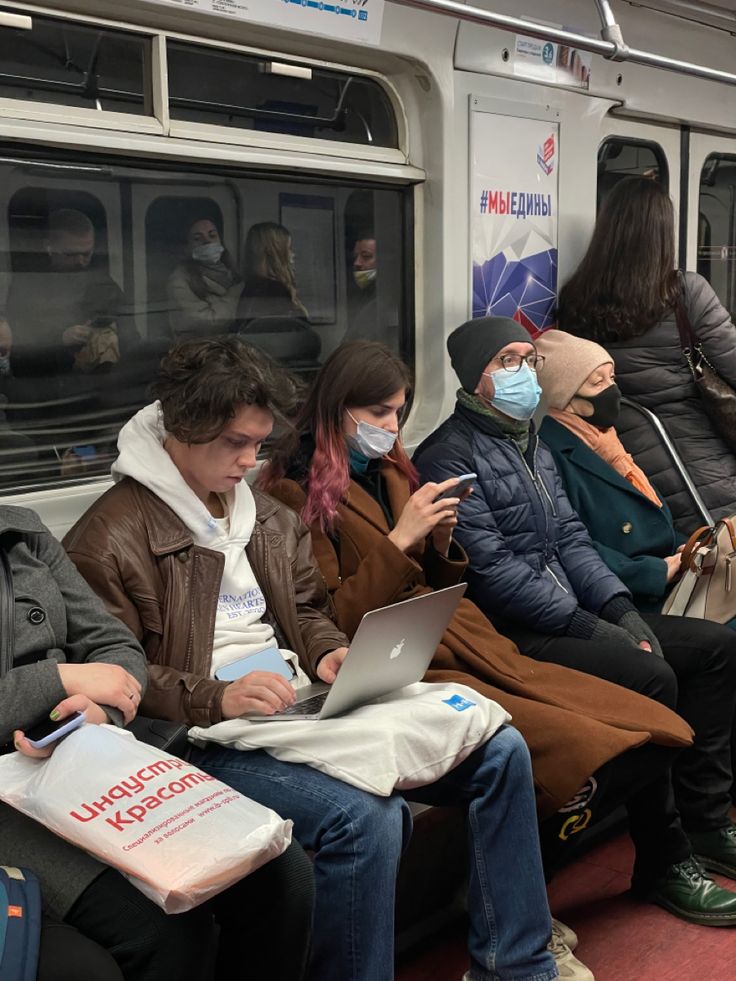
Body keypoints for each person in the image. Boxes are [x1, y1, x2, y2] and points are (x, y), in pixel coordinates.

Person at [65, 335, 561, 981]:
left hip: (287, 699)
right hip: (195, 731)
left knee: (499, 749)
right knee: (364, 818)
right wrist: (217, 695)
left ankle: (516, 966)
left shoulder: (264, 517)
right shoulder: (106, 541)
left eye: (258, 444)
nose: (248, 461)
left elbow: (304, 611)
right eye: (233, 444)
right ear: (181, 431)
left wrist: (328, 652)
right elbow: (120, 677)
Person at [412, 315, 736, 926]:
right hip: (515, 632)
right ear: (475, 377)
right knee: (654, 678)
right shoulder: (448, 455)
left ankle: (707, 821)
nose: (524, 372)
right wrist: (593, 629)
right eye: (507, 361)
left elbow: (569, 537)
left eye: (530, 360)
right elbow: (495, 573)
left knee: (714, 649)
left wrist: (617, 609)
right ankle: (662, 860)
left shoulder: (524, 438)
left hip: (575, 610)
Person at [0, 502, 313, 981]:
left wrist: (97, 707)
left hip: (71, 741)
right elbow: (81, 671)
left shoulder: (21, 531)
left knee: (278, 869)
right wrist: (59, 680)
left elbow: (115, 647)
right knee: (157, 929)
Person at [557, 175, 736, 533]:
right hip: (703, 466)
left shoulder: (574, 300)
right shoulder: (685, 292)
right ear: (662, 234)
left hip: (628, 467)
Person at [535, 329, 687, 614]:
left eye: (612, 378)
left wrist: (688, 549)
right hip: (629, 595)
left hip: (668, 574)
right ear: (566, 397)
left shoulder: (606, 440)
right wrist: (653, 572)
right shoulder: (551, 456)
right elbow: (571, 545)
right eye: (597, 382)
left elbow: (655, 520)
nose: (612, 390)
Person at [5, 209, 138, 378]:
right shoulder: (27, 283)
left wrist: (109, 336)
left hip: (96, 382)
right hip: (44, 383)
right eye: (71, 254)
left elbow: (130, 331)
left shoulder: (100, 281)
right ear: (49, 247)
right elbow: (17, 348)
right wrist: (60, 339)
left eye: (86, 253)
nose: (81, 261)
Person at [167, 217, 243, 337]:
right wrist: (234, 295)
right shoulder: (179, 281)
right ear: (187, 247)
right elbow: (206, 322)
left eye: (212, 236)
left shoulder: (232, 273)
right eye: (198, 238)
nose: (207, 241)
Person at [236, 221, 307, 325]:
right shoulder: (274, 291)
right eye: (288, 249)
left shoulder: (249, 288)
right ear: (275, 253)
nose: (292, 255)